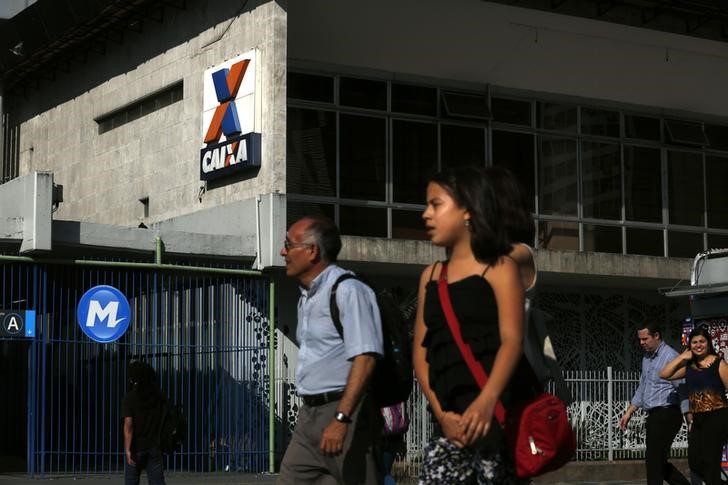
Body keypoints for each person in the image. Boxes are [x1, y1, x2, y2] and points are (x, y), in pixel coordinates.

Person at [412, 166, 535, 484]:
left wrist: (487, 399)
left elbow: (512, 340)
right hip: (447, 426)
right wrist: (441, 414)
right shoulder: (431, 276)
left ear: (468, 209)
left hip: (496, 422)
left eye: (436, 204)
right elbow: (421, 356)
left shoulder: (500, 268)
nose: (426, 214)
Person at [277, 215, 384, 485]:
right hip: (308, 416)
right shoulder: (307, 298)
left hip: (344, 412)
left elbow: (366, 357)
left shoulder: (349, 291)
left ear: (312, 251)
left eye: (289, 245)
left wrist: (341, 418)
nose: (283, 252)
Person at [619, 323, 690, 485]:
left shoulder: (670, 356)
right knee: (656, 462)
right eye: (640, 339)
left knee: (653, 460)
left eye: (645, 338)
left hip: (668, 413)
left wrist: (688, 416)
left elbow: (682, 388)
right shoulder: (646, 358)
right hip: (653, 416)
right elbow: (643, 386)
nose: (642, 343)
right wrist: (629, 411)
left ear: (656, 335)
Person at [660, 326, 728, 485]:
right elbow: (664, 374)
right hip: (698, 419)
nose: (698, 345)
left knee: (711, 464)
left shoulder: (719, 363)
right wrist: (682, 356)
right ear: (690, 345)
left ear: (708, 343)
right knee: (695, 462)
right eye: (694, 342)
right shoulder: (688, 367)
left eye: (702, 342)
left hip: (718, 417)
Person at [122, 360, 167, 485]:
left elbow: (128, 426)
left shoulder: (130, 398)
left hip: (136, 447)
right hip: (154, 445)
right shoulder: (159, 396)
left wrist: (128, 449)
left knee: (131, 480)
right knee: (157, 481)